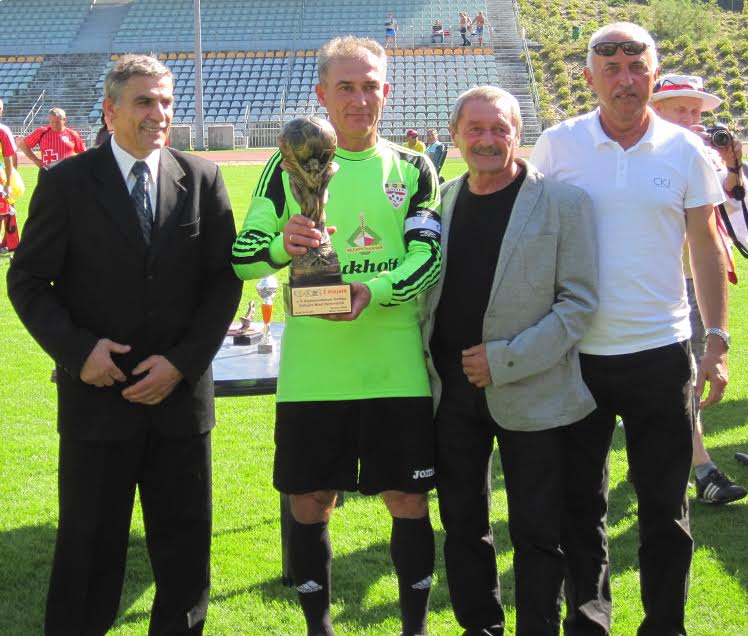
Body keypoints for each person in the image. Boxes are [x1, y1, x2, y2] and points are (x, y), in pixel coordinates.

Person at [7, 54, 242, 635]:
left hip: (179, 403)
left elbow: (223, 283)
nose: (159, 113)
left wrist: (182, 364)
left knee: (185, 555)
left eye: (166, 101)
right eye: (144, 101)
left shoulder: (202, 178)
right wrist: (77, 352)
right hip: (97, 401)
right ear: (110, 112)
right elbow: (28, 280)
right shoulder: (66, 183)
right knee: (87, 552)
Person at [231, 36, 442, 636]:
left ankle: (414, 628)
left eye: (370, 86)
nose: (359, 99)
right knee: (310, 501)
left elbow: (428, 258)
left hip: (393, 367)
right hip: (314, 370)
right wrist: (283, 244)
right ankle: (318, 628)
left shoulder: (413, 167)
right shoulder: (285, 165)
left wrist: (370, 292)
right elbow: (244, 256)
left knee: (408, 500)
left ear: (386, 92)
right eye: (345, 87)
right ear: (322, 94)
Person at [531, 22, 729, 636]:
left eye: (636, 66)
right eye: (610, 68)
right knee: (580, 508)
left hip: (661, 354)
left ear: (653, 74)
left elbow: (705, 247)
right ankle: (588, 624)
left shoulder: (685, 150)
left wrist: (716, 340)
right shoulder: (557, 146)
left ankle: (664, 625)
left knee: (665, 508)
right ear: (588, 77)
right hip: (576, 355)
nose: (624, 80)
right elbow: (533, 242)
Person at [422, 85, 598, 636]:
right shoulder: (439, 204)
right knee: (462, 525)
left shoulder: (565, 204)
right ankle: (480, 626)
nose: (488, 139)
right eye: (475, 128)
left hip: (532, 391)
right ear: (455, 136)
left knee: (538, 531)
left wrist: (506, 360)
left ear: (520, 134)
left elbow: (578, 305)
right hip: (451, 394)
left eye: (500, 128)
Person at [651, 73, 747, 505]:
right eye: (681, 110)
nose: (692, 118)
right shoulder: (648, 153)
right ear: (656, 110)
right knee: (678, 374)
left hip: (696, 279)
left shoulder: (701, 153)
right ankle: (702, 468)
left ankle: (678, 460)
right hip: (662, 280)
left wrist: (732, 165)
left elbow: (731, 205)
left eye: (696, 110)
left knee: (681, 373)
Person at [18, 107, 85, 168]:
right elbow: (23, 145)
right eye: (52, 122)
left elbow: (83, 154)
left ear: (64, 120)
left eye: (57, 122)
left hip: (68, 172)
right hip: (48, 172)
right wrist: (36, 160)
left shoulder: (72, 134)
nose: (55, 125)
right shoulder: (41, 132)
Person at [0, 98, 19, 253]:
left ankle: (10, 243)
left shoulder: (3, 131)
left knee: (5, 210)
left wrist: (8, 184)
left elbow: (9, 157)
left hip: (1, 177)